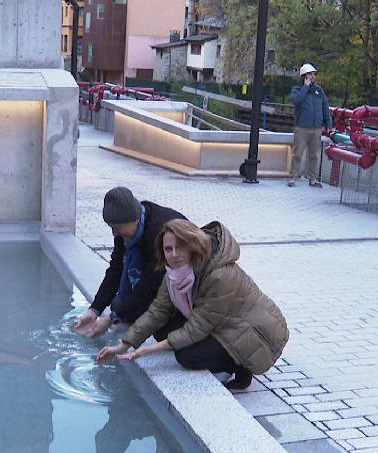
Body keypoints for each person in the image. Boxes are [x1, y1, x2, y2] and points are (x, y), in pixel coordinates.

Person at [96, 219, 289, 389]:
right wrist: (124, 344)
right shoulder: (174, 272)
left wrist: (146, 350)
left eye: (179, 247)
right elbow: (158, 311)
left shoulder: (219, 275)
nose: (173, 254)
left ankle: (240, 367)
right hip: (223, 322)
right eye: (168, 249)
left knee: (187, 357)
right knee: (163, 331)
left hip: (255, 333)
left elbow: (198, 327)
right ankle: (227, 358)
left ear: (192, 246)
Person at [75, 186, 186, 338]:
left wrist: (112, 318)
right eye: (111, 227)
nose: (114, 233)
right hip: (156, 278)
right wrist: (95, 309)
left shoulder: (158, 233)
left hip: (182, 284)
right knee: (119, 306)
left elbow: (151, 284)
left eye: (117, 228)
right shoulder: (126, 227)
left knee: (162, 333)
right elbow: (116, 269)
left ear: (135, 220)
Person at [288, 62, 333, 188]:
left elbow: (325, 107)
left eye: (314, 74)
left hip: (316, 129)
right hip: (302, 127)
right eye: (310, 74)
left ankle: (312, 179)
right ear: (304, 76)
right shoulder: (297, 89)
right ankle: (293, 177)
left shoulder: (319, 90)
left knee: (314, 155)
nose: (313, 76)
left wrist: (328, 123)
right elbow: (296, 101)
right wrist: (305, 87)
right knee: (298, 153)